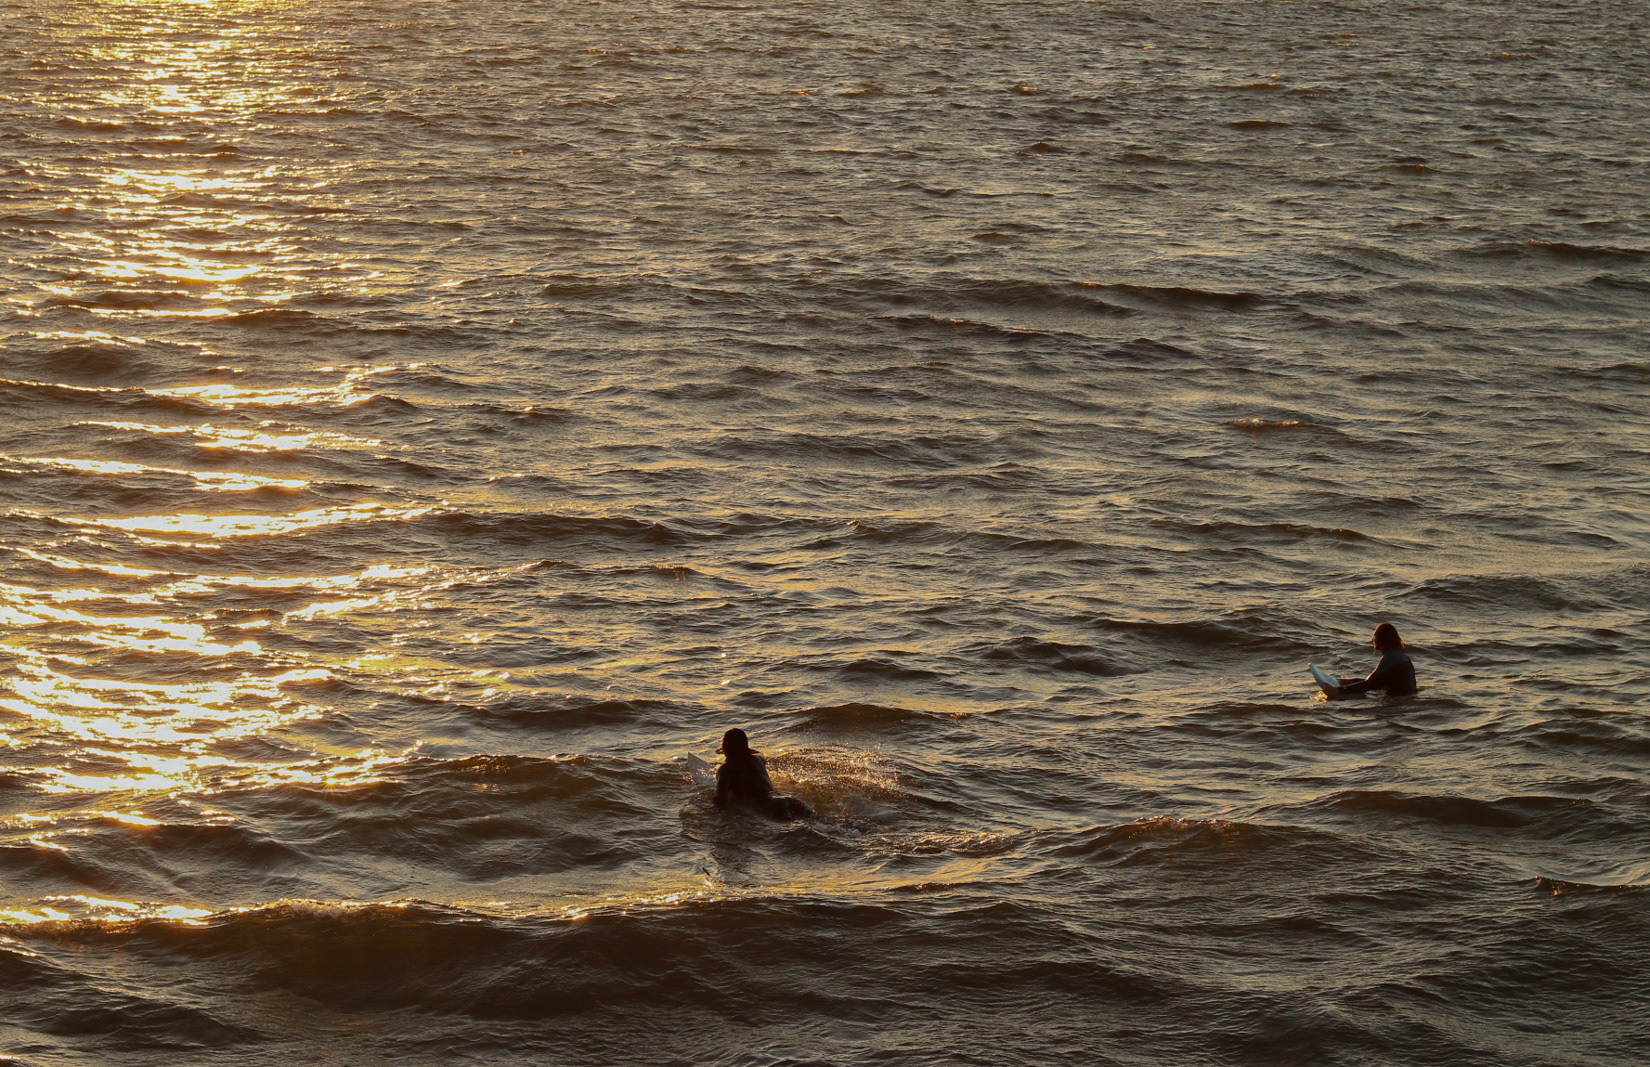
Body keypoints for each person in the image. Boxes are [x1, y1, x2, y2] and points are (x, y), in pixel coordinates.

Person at [714, 728, 814, 821]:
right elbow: (758, 752)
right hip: (786, 799)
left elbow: (720, 799)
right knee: (817, 822)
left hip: (767, 806)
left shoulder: (726, 769)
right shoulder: (758, 759)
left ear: (726, 747)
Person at [1331, 622, 1417, 697]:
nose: (1373, 639)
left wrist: (1339, 690)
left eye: (1375, 636)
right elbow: (1378, 682)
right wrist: (1351, 681)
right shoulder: (1400, 655)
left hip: (1397, 704)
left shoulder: (1390, 657)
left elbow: (1369, 684)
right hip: (1406, 701)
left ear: (1382, 639)